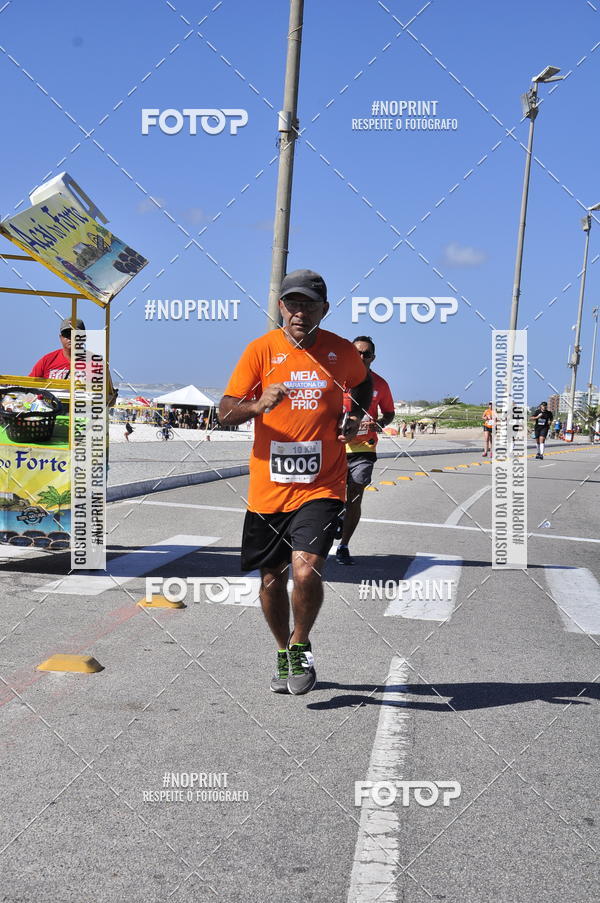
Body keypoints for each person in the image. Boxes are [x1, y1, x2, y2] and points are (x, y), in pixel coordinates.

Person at [218, 269, 371, 696]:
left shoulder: (341, 352)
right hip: (268, 489)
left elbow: (364, 384)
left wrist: (354, 415)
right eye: (292, 303)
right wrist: (257, 405)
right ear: (281, 306)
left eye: (308, 304)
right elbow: (224, 411)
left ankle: (301, 644)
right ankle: (282, 649)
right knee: (270, 578)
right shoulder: (261, 351)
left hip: (321, 484)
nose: (299, 312)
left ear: (324, 308)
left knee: (305, 570)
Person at [336, 335, 394, 565]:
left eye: (366, 354)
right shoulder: (336, 380)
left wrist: (380, 423)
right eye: (356, 352)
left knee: (356, 493)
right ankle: (337, 515)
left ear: (373, 358)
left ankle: (343, 546)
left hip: (364, 449)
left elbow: (389, 413)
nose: (361, 357)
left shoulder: (380, 384)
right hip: (335, 446)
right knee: (330, 498)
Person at [30, 316, 117, 405]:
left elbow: (110, 398)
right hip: (51, 413)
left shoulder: (97, 363)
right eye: (67, 334)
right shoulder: (47, 360)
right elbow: (29, 387)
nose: (71, 338)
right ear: (60, 337)